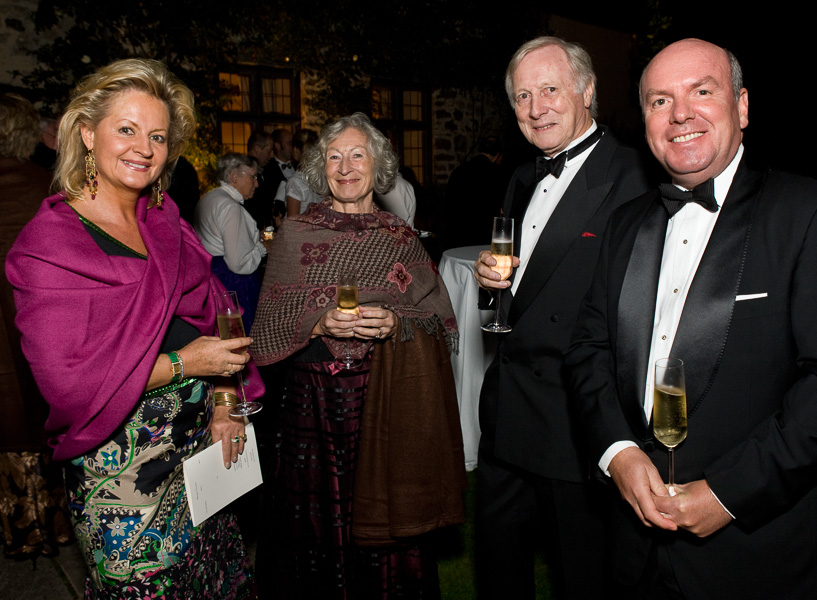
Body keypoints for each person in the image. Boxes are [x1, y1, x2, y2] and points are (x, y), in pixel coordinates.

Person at [564, 38, 817, 598]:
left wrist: (729, 493)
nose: (680, 114)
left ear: (743, 106)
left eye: (702, 92)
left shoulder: (804, 212)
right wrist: (618, 453)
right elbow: (588, 350)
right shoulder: (626, 224)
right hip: (633, 550)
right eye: (660, 100)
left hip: (757, 556)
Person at [5, 58, 262, 599]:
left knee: (216, 584)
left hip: (203, 456)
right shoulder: (48, 246)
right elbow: (68, 384)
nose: (143, 148)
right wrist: (187, 364)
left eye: (158, 136)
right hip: (122, 474)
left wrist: (224, 404)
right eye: (126, 129)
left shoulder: (165, 220)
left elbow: (217, 315)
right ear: (85, 133)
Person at [250, 112, 465, 599]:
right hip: (314, 407)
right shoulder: (295, 235)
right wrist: (318, 321)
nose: (345, 168)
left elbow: (440, 322)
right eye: (334, 157)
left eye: (357, 155)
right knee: (316, 526)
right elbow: (267, 329)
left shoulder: (401, 239)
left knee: (385, 522)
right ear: (320, 167)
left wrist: (397, 323)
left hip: (386, 400)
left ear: (378, 165)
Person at [472, 36, 653, 599]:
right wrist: (489, 284)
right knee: (500, 573)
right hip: (505, 419)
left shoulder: (635, 175)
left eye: (550, 89)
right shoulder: (522, 176)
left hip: (575, 426)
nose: (536, 107)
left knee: (584, 580)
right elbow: (518, 289)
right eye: (523, 96)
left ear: (587, 91)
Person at [0, 93, 73, 559]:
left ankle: (15, 527)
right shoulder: (42, 188)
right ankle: (51, 524)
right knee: (34, 411)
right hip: (32, 325)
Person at [194, 152, 268, 330]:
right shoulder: (230, 207)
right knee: (239, 337)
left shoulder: (209, 198)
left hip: (212, 277)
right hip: (233, 284)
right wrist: (264, 247)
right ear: (234, 176)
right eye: (253, 177)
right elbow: (238, 263)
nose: (256, 184)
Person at [444, 135, 507, 249]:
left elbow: (448, 202)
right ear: (497, 155)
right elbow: (498, 207)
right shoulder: (496, 174)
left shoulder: (459, 170)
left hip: (459, 234)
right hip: (483, 236)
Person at [277, 128, 322, 217]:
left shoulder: (296, 181)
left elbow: (293, 223)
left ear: (296, 150)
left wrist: (279, 223)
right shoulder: (322, 176)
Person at [245, 130, 275, 227]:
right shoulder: (244, 175)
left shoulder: (268, 170)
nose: (272, 155)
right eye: (268, 151)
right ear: (257, 149)